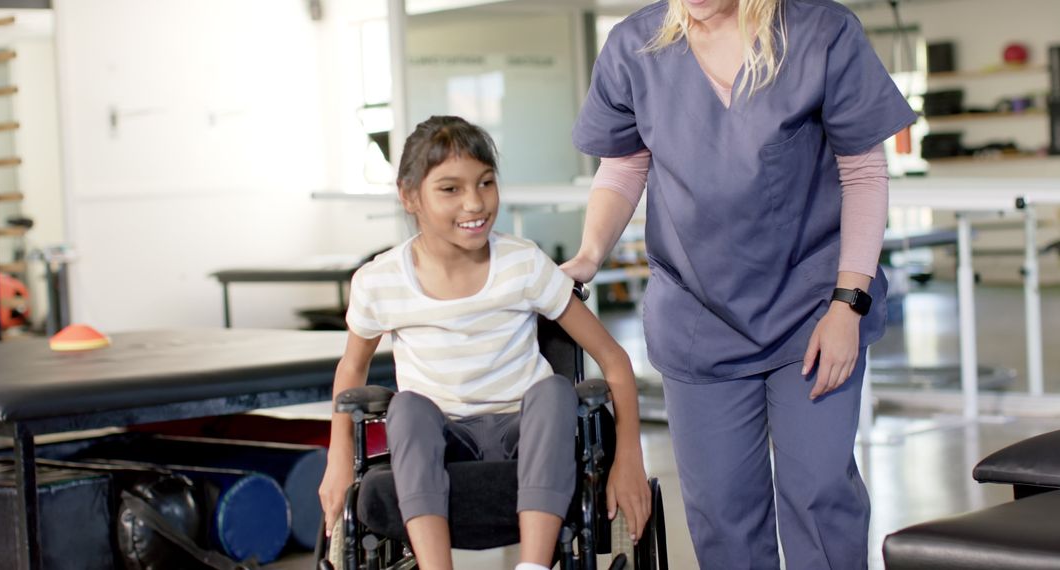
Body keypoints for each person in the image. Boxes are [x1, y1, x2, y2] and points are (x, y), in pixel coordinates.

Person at [565, 0, 916, 568]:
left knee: (819, 492)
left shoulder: (819, 32)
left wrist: (848, 304)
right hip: (697, 315)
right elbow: (625, 164)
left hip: (814, 309)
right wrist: (588, 254)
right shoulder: (637, 45)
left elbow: (864, 171)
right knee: (722, 511)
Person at [319, 115, 651, 570]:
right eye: (450, 189)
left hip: (526, 435)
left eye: (486, 182)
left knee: (555, 390)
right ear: (409, 195)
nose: (475, 203)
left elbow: (613, 359)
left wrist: (628, 457)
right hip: (441, 438)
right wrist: (338, 459)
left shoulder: (523, 264)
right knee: (408, 407)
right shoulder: (380, 281)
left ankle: (532, 566)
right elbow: (351, 370)